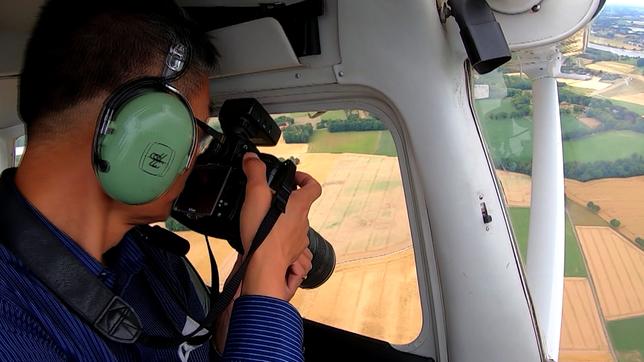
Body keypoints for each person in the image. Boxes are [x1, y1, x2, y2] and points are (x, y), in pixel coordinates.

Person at [0, 0, 321, 361]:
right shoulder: (11, 328)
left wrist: (245, 307)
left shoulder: (156, 259)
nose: (196, 158)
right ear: (137, 126)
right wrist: (265, 282)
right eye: (196, 133)